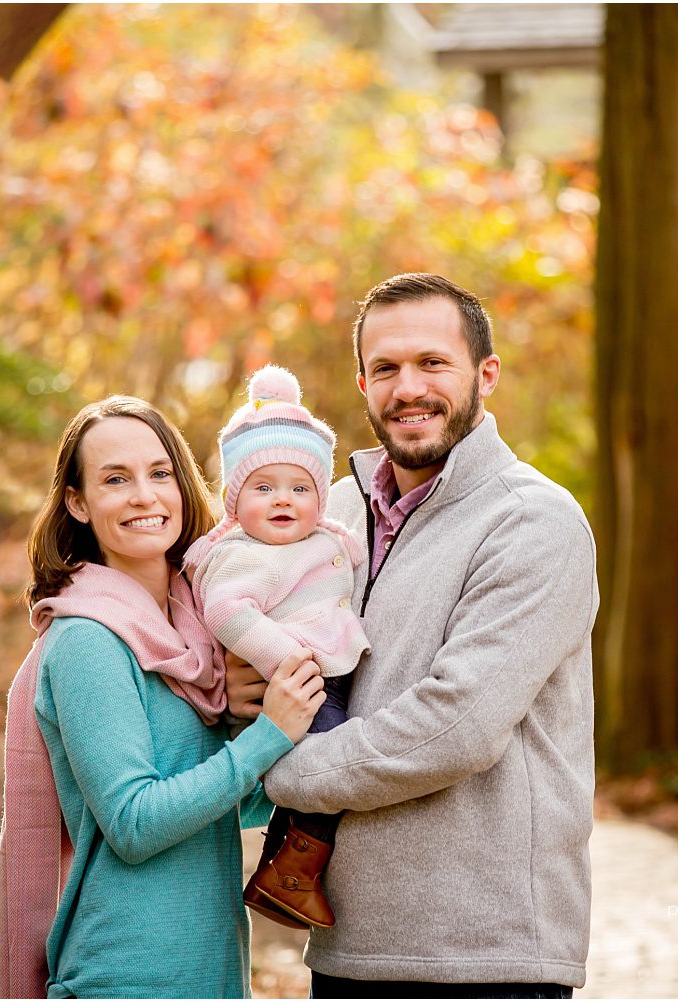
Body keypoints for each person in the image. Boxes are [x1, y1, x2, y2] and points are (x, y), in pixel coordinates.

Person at [229, 273, 599, 998]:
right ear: (362, 382)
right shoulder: (328, 514)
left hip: (483, 953)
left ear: (485, 375)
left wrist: (272, 763)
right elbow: (269, 659)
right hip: (346, 941)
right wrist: (249, 693)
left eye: (433, 363)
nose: (409, 388)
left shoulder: (533, 521)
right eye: (387, 368)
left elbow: (455, 726)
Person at [0, 395, 326, 1000]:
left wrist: (248, 733)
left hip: (211, 972)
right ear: (79, 503)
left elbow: (224, 813)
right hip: (125, 976)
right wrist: (266, 739)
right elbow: (134, 823)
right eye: (116, 479)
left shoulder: (195, 636)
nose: (144, 495)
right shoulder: (88, 639)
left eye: (160, 473)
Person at [182, 364, 371, 931]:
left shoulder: (323, 538)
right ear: (235, 503)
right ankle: (291, 873)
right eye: (263, 489)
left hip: (317, 673)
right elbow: (226, 612)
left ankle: (282, 871)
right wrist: (284, 663)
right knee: (332, 763)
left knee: (325, 768)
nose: (283, 500)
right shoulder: (244, 553)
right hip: (297, 681)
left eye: (300, 488)